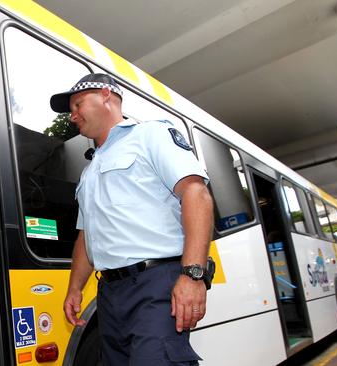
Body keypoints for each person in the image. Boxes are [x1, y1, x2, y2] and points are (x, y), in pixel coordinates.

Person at [51, 74, 214, 365]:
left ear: (105, 94)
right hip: (110, 295)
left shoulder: (150, 135)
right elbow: (85, 236)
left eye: (77, 104)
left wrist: (193, 276)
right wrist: (75, 288)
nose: (73, 116)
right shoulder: (89, 172)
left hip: (155, 284)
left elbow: (196, 194)